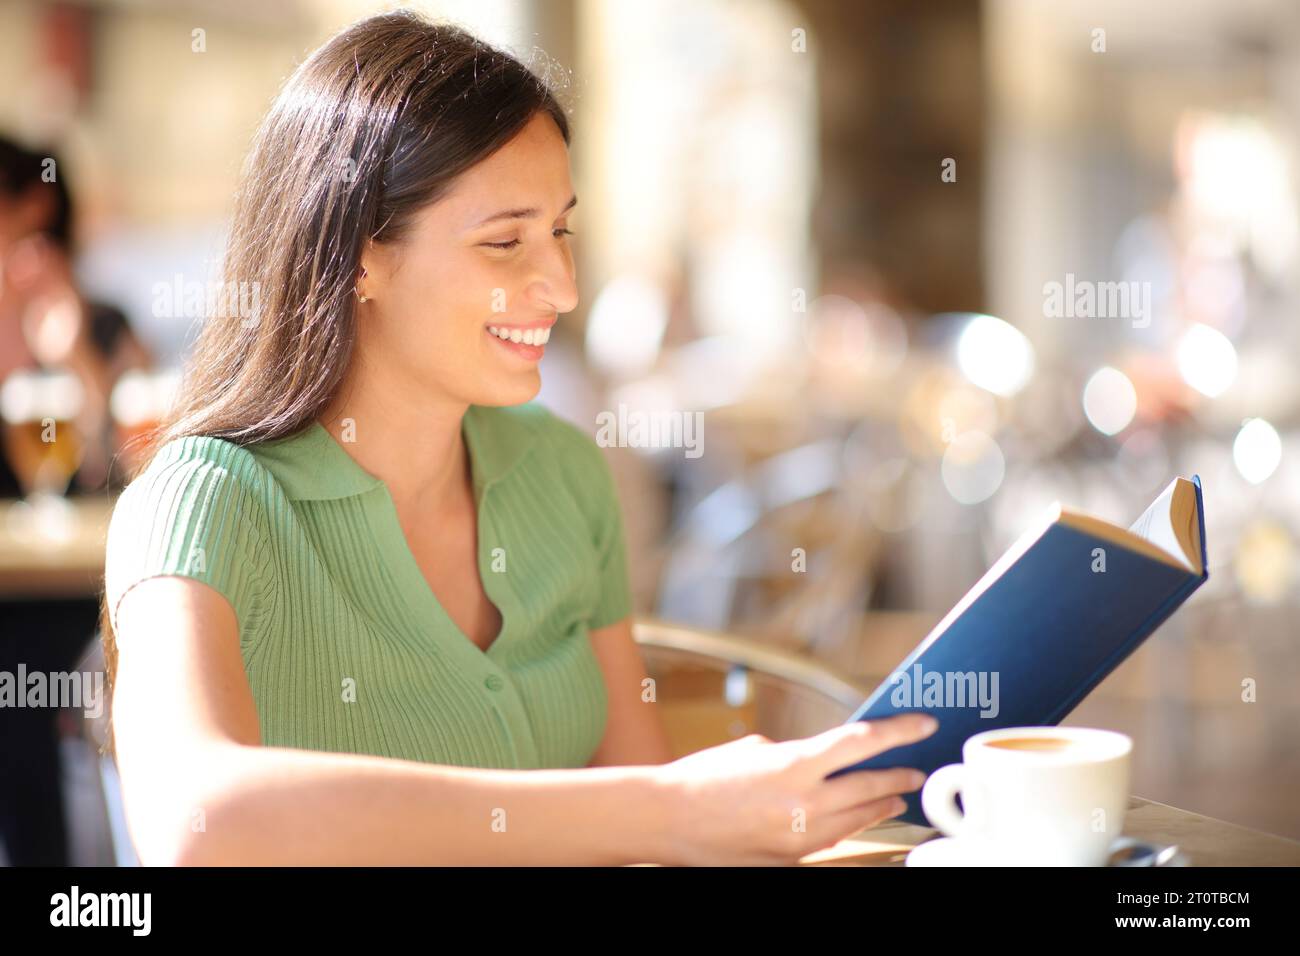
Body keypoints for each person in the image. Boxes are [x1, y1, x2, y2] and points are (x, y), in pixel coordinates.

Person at [101, 11, 936, 866]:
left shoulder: (562, 470)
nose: (562, 287)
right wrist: (671, 811)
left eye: (560, 232)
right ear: (359, 255)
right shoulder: (203, 501)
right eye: (505, 242)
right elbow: (195, 822)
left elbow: (645, 819)